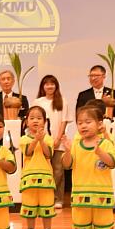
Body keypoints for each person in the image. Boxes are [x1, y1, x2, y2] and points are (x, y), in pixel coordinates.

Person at [63, 105, 115, 229]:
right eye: (80, 123)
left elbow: (112, 162)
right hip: (81, 197)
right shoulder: (75, 144)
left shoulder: (106, 143)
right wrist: (68, 151)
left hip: (101, 196)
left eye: (88, 122)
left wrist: (99, 152)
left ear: (99, 124)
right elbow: (66, 165)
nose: (83, 126)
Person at [32, 75, 74, 209]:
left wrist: (57, 138)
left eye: (52, 84)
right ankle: (45, 198)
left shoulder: (62, 101)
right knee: (43, 170)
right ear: (42, 86)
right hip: (42, 142)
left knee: (58, 171)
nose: (49, 86)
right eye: (46, 84)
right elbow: (34, 120)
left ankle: (58, 199)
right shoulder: (38, 101)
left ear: (56, 86)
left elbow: (64, 121)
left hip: (58, 141)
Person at [19, 106, 57, 229]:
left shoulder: (48, 139)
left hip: (45, 178)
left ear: (44, 122)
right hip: (29, 179)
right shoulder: (24, 139)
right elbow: (28, 152)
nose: (35, 121)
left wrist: (41, 140)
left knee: (46, 205)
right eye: (32, 118)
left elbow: (49, 154)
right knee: (30, 205)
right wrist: (35, 139)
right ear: (26, 122)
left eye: (39, 118)